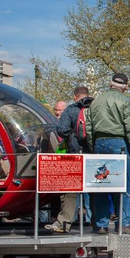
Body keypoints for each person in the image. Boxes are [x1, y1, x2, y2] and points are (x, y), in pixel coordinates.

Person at [86, 73, 130, 235]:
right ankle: (123, 224)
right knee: (123, 185)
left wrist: (93, 144)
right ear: (125, 86)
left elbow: (89, 128)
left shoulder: (96, 102)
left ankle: (101, 224)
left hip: (99, 142)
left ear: (110, 84)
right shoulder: (126, 101)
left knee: (101, 185)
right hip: (119, 143)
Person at [47, 87, 94, 233]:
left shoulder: (71, 109)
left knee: (71, 192)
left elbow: (62, 130)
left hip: (75, 154)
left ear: (75, 97)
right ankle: (98, 222)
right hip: (93, 155)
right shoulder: (96, 107)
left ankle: (64, 223)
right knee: (95, 191)